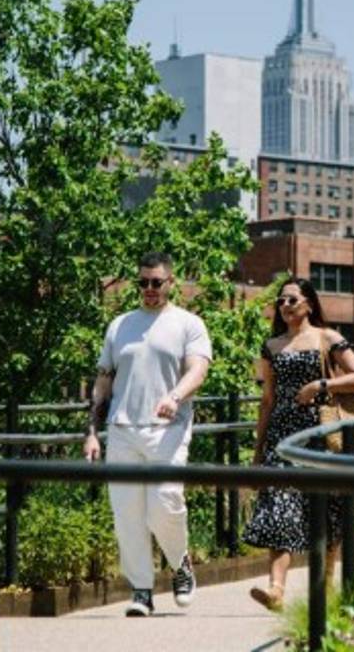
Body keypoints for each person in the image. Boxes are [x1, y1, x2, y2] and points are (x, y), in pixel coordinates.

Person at [83, 251, 212, 617]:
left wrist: (175, 396)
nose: (150, 289)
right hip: (122, 428)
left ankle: (180, 563)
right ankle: (141, 590)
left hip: (168, 428)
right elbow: (103, 382)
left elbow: (198, 370)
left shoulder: (189, 324)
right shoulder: (120, 325)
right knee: (127, 513)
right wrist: (92, 431)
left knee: (165, 503)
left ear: (171, 282)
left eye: (157, 282)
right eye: (143, 282)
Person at [242, 277, 354, 612]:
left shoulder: (328, 338)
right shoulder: (272, 346)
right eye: (281, 301)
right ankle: (276, 589)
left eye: (292, 300)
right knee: (278, 507)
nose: (285, 306)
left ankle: (326, 582)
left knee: (327, 510)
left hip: (320, 434)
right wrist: (258, 449)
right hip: (281, 436)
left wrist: (321, 384)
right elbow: (267, 400)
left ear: (309, 304)